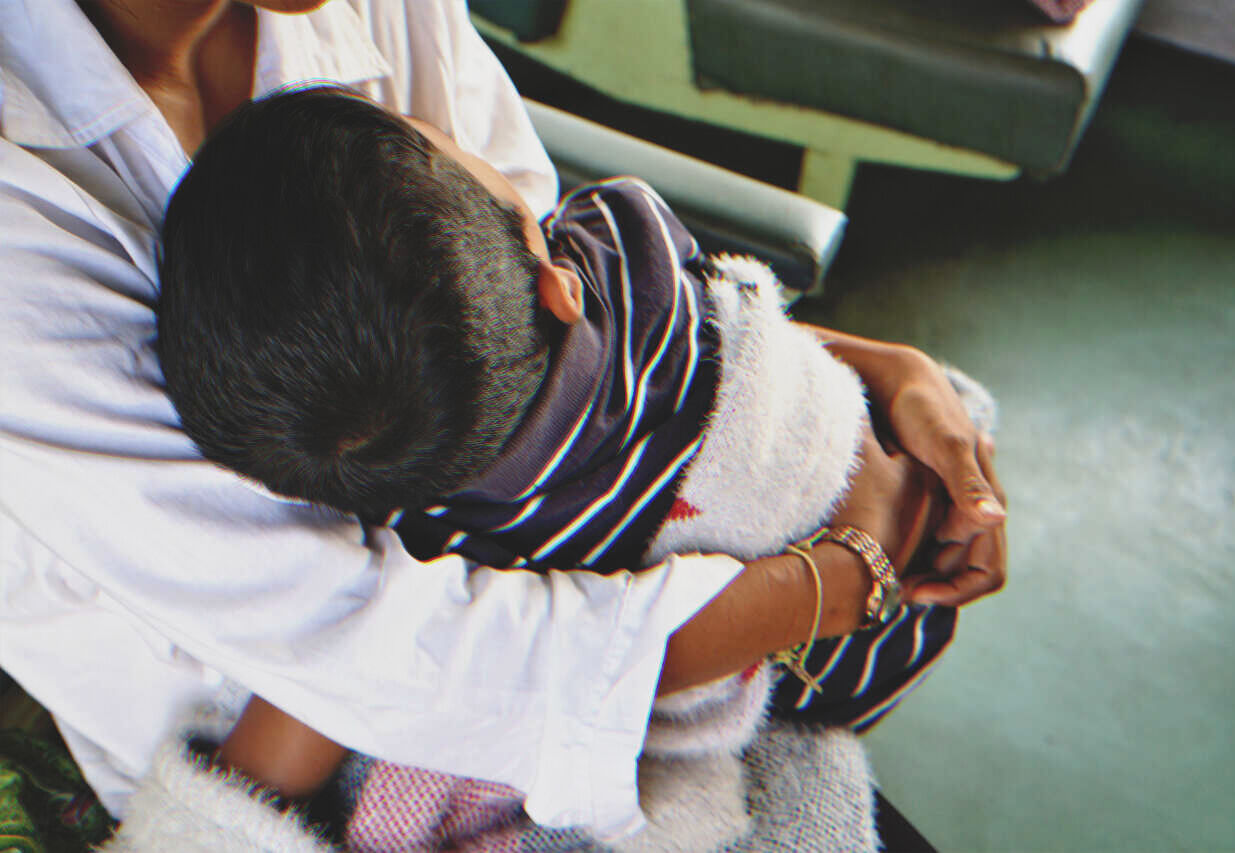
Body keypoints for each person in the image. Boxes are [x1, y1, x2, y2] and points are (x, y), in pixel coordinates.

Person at [0, 0, 1006, 846]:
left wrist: (852, 371)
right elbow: (378, 656)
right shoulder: (20, 226)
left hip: (635, 618)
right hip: (299, 761)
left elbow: (532, 306)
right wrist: (847, 568)